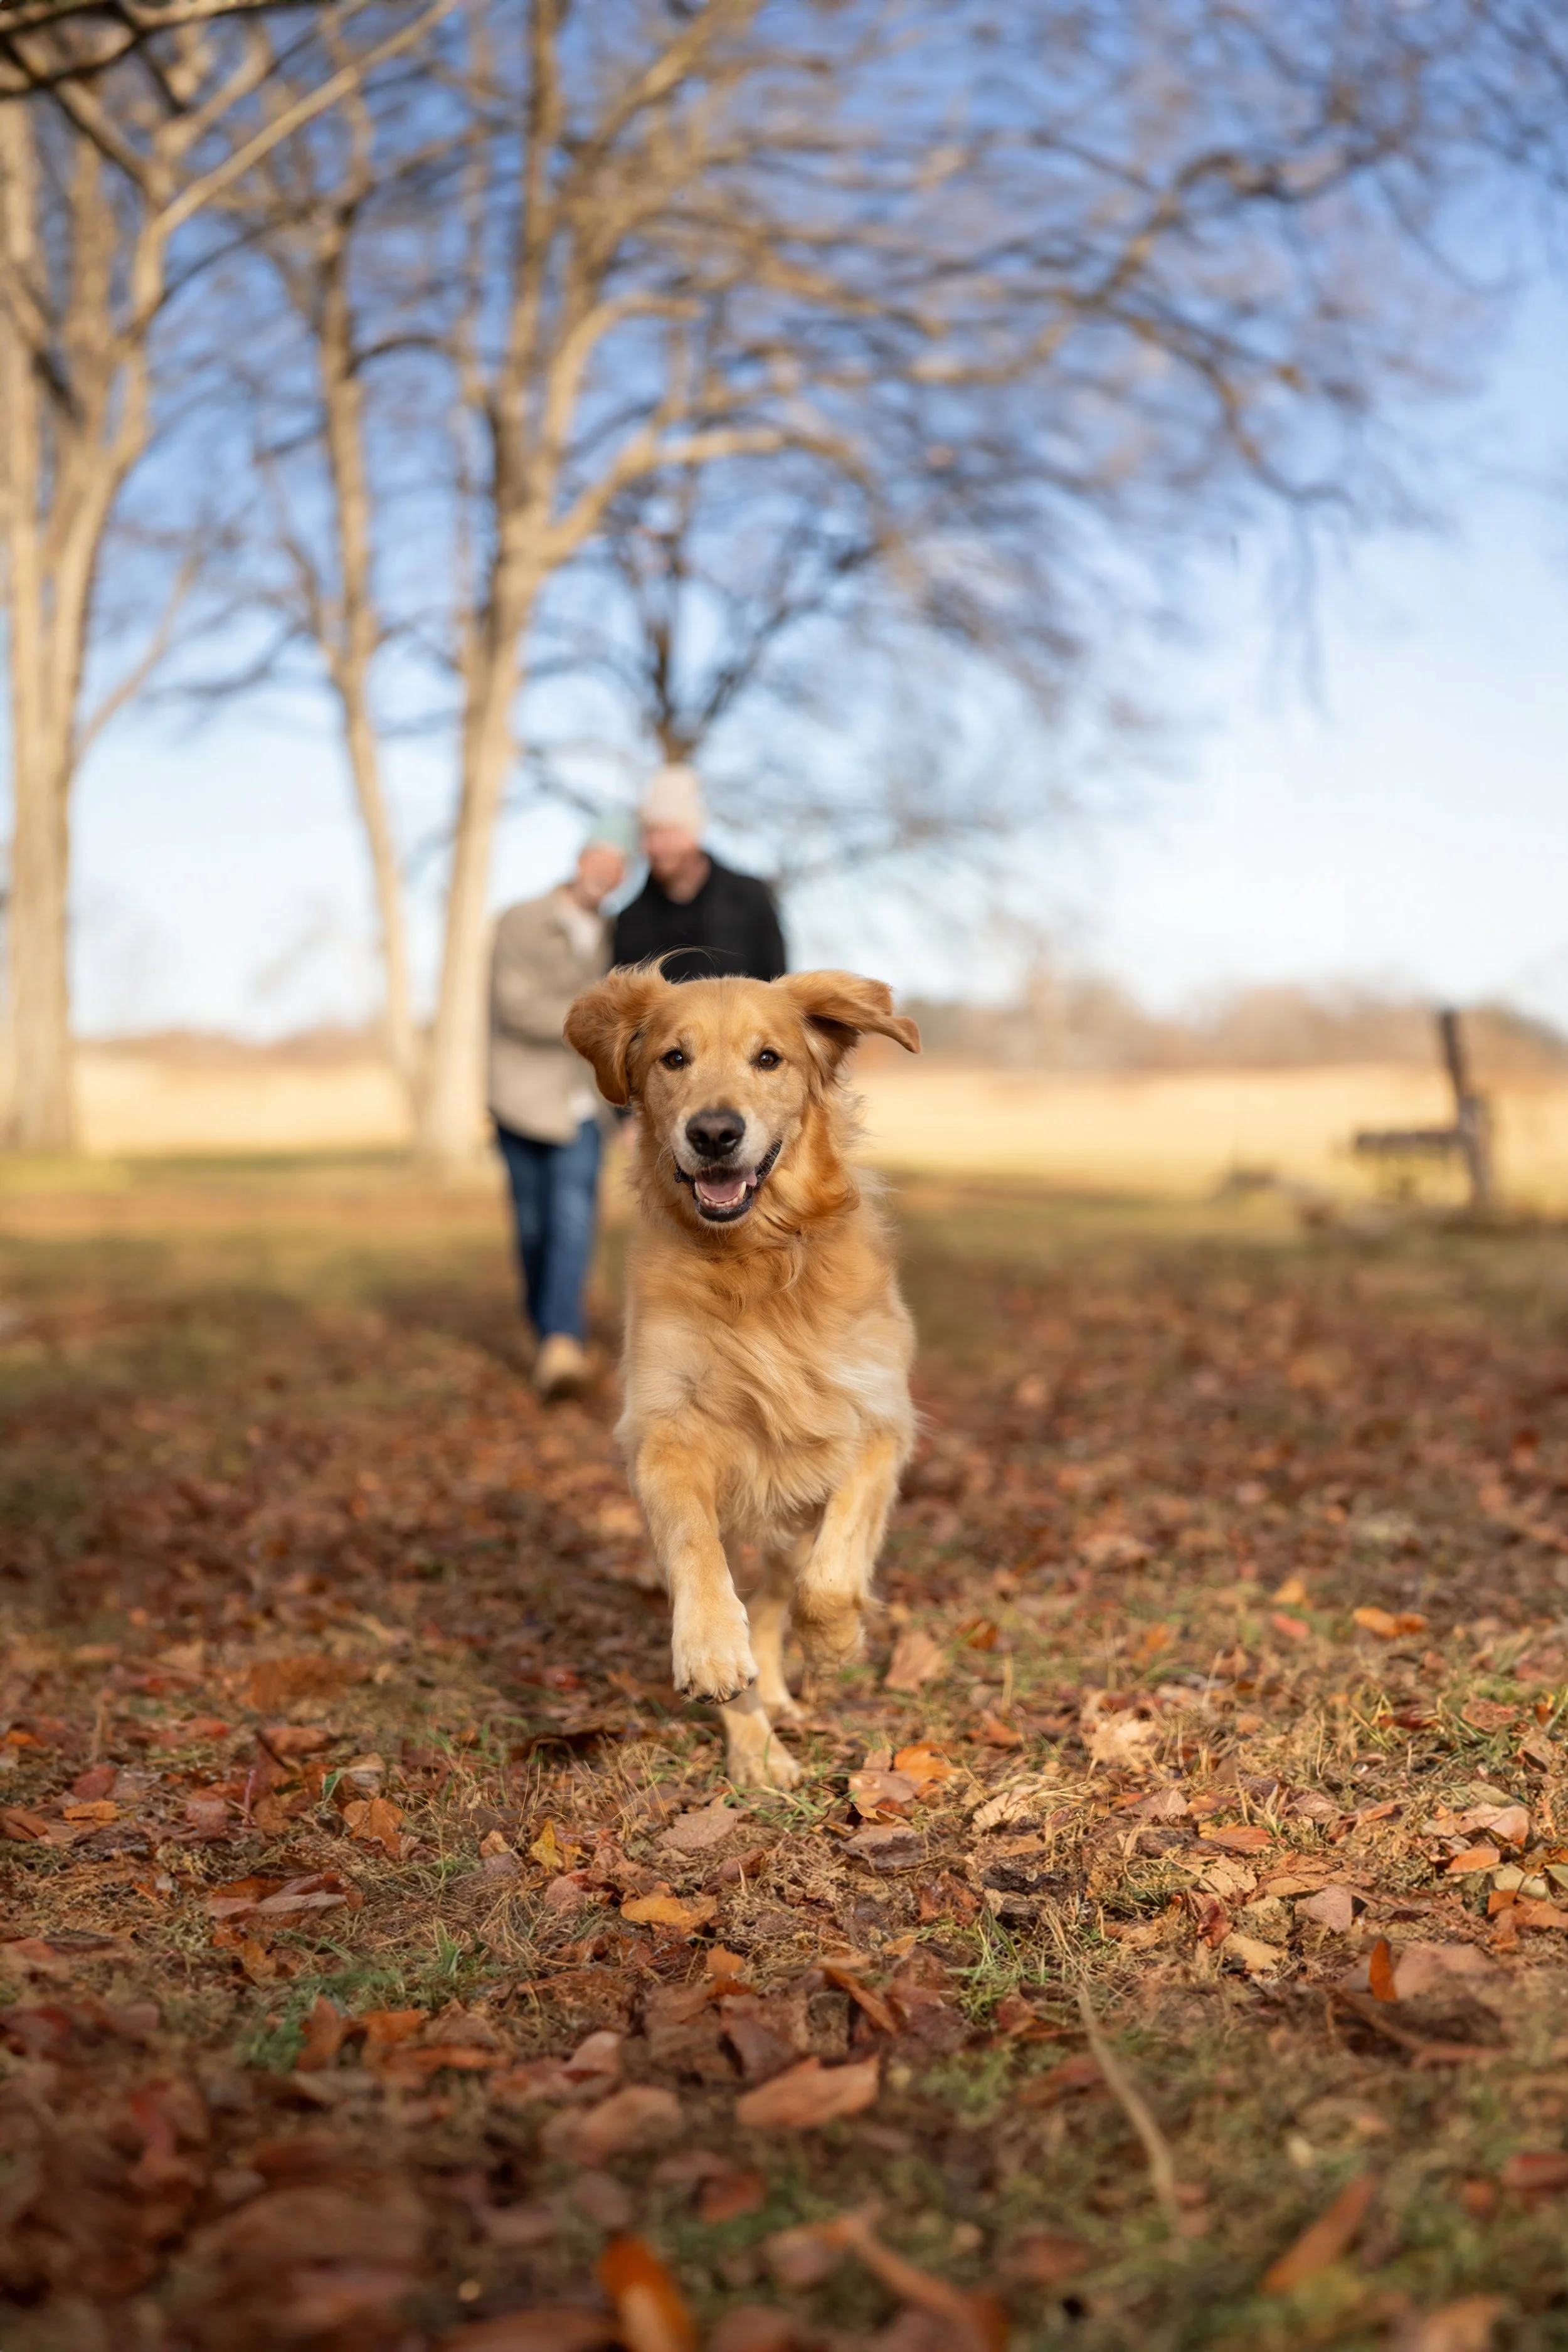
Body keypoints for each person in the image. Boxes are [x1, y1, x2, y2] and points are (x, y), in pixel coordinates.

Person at [488, 820, 631, 1399]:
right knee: (532, 1227)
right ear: (579, 862)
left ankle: (562, 1343)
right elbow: (516, 1006)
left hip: (582, 1103)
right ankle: (545, 1326)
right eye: (599, 860)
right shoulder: (521, 920)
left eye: (619, 867)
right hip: (519, 1096)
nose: (605, 875)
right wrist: (595, 1018)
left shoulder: (618, 933)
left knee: (574, 1219)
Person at [613, 763, 786, 983]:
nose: (660, 845)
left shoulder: (749, 897)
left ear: (694, 835)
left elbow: (778, 986)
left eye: (671, 832)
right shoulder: (632, 919)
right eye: (651, 834)